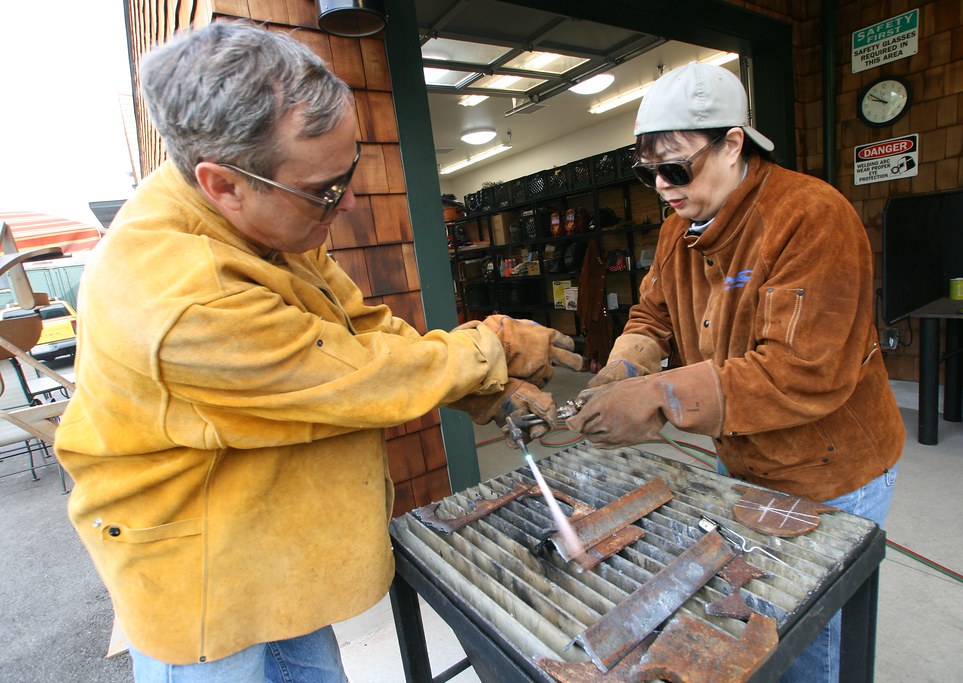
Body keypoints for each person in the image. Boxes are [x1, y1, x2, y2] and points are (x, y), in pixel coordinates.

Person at [54, 21, 581, 682]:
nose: (352, 200)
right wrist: (495, 344)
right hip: (206, 595)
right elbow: (353, 378)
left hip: (272, 557)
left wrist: (486, 388)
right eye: (327, 191)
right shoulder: (174, 294)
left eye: (350, 170)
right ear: (223, 184)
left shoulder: (266, 215)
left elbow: (359, 329)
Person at [565, 62, 904, 682]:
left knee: (813, 639)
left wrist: (661, 394)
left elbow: (802, 372)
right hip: (742, 456)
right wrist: (621, 369)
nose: (663, 187)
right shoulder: (677, 230)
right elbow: (652, 314)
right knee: (758, 618)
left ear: (733, 143)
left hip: (829, 467)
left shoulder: (811, 218)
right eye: (649, 173)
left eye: (677, 167)